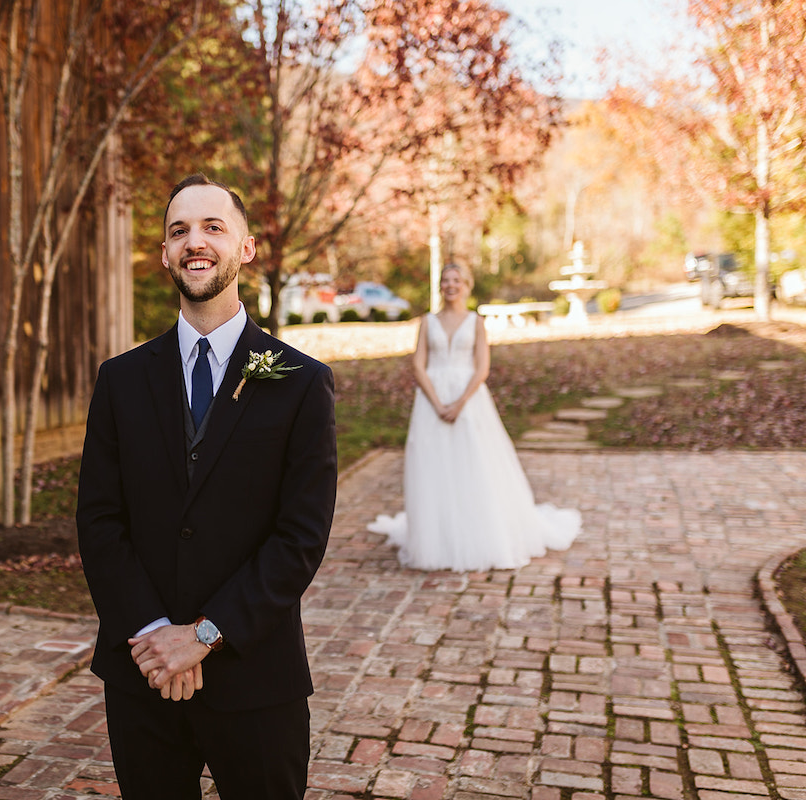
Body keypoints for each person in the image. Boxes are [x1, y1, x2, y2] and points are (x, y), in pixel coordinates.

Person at [76, 173, 338, 799]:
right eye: (179, 230)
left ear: (246, 248)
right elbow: (99, 522)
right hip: (143, 674)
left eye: (213, 227)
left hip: (255, 677)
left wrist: (202, 636)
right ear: (165, 253)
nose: (195, 241)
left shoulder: (301, 383)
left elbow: (299, 538)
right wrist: (153, 635)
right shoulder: (120, 380)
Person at [367, 263, 580, 571]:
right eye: (446, 280)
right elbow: (418, 365)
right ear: (440, 286)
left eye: (457, 280)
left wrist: (459, 403)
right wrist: (438, 403)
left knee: (474, 463)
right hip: (431, 401)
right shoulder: (427, 321)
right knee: (434, 466)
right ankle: (436, 538)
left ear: (467, 285)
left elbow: (482, 368)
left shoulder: (476, 322)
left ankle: (478, 534)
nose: (451, 285)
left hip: (469, 401)